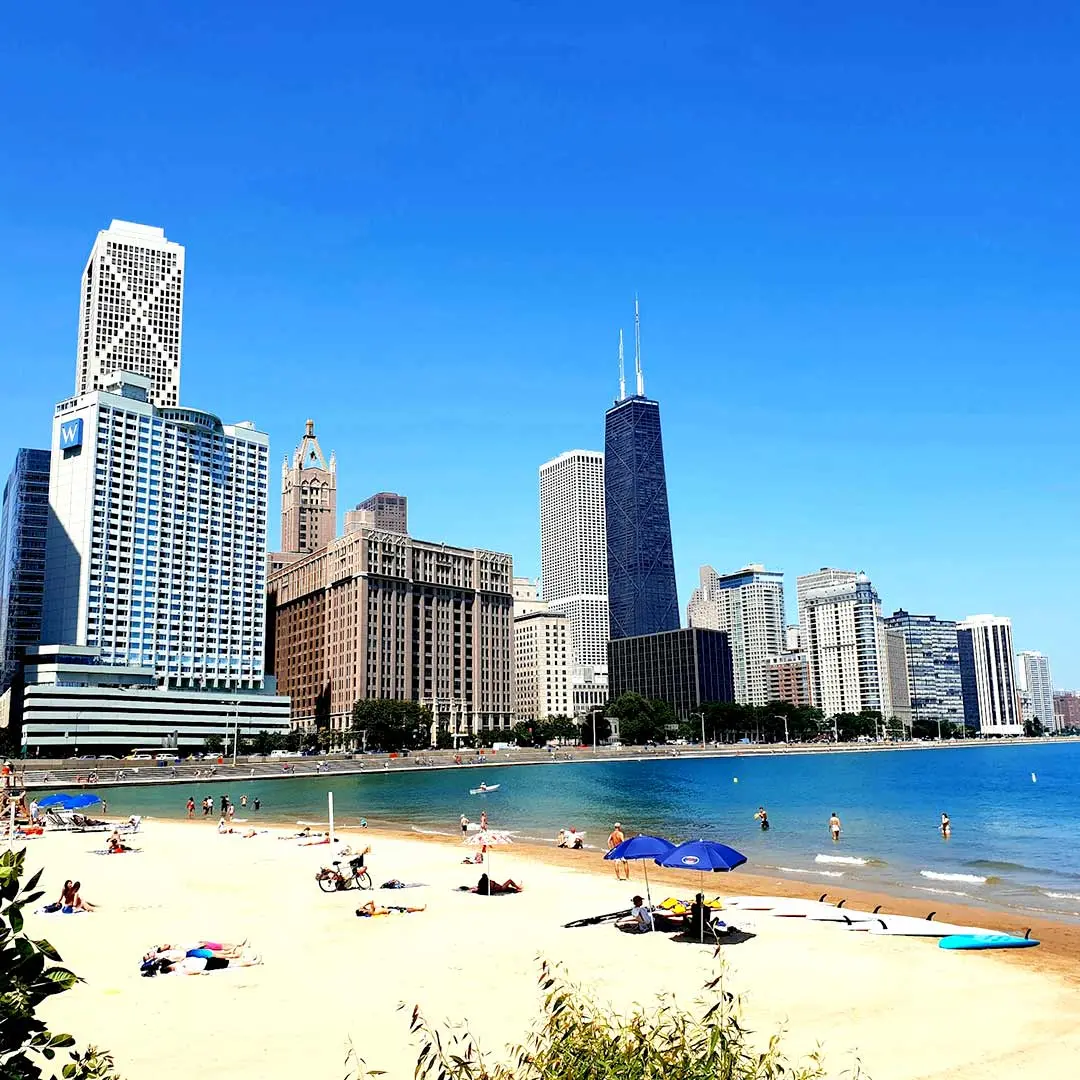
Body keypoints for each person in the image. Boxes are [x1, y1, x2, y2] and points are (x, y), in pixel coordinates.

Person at [355, 899, 426, 917]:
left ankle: (420, 909)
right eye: (360, 909)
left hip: (390, 910)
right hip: (392, 912)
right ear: (363, 911)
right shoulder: (371, 911)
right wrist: (364, 905)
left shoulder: (371, 911)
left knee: (407, 909)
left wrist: (363, 906)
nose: (361, 908)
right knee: (408, 910)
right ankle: (421, 910)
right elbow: (371, 901)